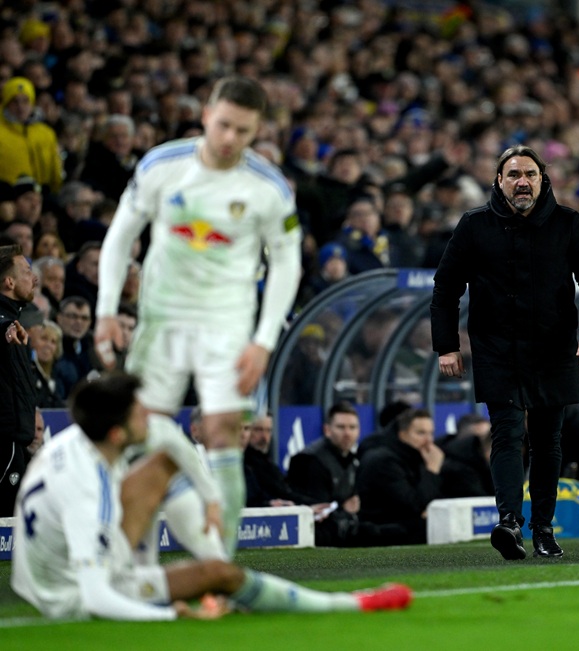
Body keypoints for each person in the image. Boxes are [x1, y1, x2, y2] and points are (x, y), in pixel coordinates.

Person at [94, 75, 303, 558]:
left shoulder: (268, 187)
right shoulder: (162, 165)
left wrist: (264, 340)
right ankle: (132, 561)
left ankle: (219, 567)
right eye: (224, 125)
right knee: (144, 430)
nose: (230, 139)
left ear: (256, 132)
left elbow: (287, 262)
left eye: (243, 131)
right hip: (162, 318)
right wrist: (106, 310)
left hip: (227, 322)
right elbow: (121, 235)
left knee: (225, 429)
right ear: (206, 116)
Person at [11, 372, 412, 621]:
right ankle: (349, 604)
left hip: (40, 575)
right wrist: (167, 614)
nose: (146, 418)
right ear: (118, 432)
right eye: (137, 413)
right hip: (69, 597)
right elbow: (95, 596)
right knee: (219, 578)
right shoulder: (86, 491)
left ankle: (205, 557)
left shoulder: (77, 441)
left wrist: (212, 501)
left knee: (162, 464)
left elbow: (169, 442)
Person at [430, 144, 579, 560]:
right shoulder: (474, 225)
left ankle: (544, 529)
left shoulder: (568, 223)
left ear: (542, 179)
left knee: (549, 440)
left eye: (530, 174)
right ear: (498, 181)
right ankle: (510, 521)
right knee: (507, 433)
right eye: (513, 174)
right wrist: (446, 345)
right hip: (497, 348)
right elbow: (445, 289)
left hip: (554, 348)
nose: (522, 182)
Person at [355, 408, 445, 545]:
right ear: (403, 434)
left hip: (401, 527)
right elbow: (415, 504)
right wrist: (432, 470)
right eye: (421, 433)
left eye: (431, 433)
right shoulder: (384, 461)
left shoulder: (415, 456)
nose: (428, 441)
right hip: (381, 533)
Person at [0, 244, 39, 516]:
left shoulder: (14, 325)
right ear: (9, 281)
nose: (34, 278)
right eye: (26, 271)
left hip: (16, 444)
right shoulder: (4, 325)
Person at [0, 77, 63, 194]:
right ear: (6, 103)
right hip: (8, 198)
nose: (20, 107)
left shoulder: (46, 133)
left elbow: (55, 170)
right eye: (14, 101)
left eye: (25, 101)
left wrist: (55, 192)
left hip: (42, 196)